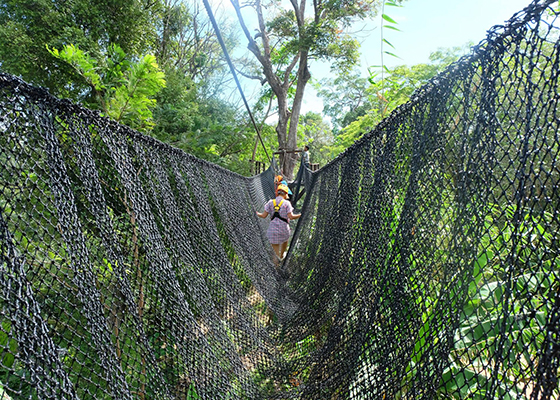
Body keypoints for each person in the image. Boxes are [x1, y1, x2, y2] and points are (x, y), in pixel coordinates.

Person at [256, 183, 301, 264]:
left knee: (275, 253)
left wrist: (256, 213)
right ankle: (282, 255)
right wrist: (300, 215)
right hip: (284, 230)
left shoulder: (270, 202)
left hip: (272, 231)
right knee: (285, 240)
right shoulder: (287, 203)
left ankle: (276, 267)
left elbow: (263, 215)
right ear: (286, 194)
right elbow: (291, 216)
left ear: (277, 193)